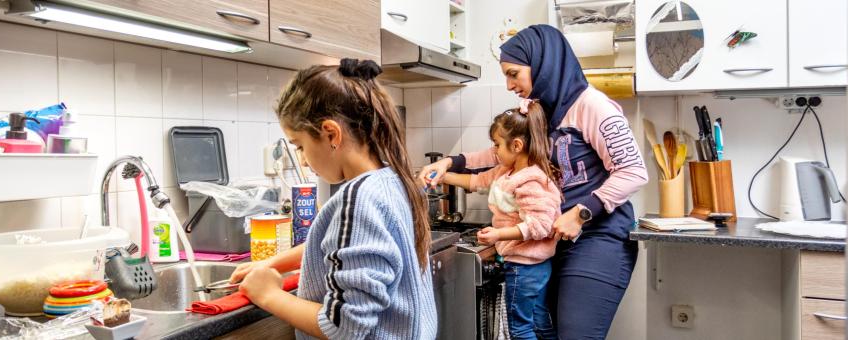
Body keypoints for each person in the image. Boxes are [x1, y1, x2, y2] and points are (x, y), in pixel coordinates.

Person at [420, 25, 648, 339]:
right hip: (554, 239)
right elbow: (500, 151)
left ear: (542, 63)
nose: (510, 85)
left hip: (599, 236)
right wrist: (450, 162)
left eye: (514, 74)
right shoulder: (538, 111)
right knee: (543, 331)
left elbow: (633, 170)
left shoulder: (593, 107)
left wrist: (582, 211)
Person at [232, 58, 437, 339]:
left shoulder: (359, 199)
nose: (303, 161)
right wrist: (270, 264)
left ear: (331, 133)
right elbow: (347, 249)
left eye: (300, 146)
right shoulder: (394, 181)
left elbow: (344, 327)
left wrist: (267, 294)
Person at [433, 100, 563, 339]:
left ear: (516, 145)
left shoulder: (531, 179)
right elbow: (476, 181)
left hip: (526, 267)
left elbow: (540, 225)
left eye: (497, 145)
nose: (494, 152)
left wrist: (498, 234)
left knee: (521, 328)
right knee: (539, 322)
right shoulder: (507, 171)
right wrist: (439, 174)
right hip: (532, 266)